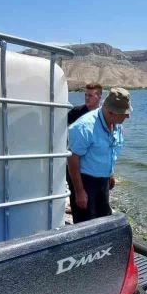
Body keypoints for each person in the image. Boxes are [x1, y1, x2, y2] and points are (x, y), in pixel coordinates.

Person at [67, 87, 131, 223]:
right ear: (111, 112)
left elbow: (110, 149)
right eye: (124, 113)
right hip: (85, 181)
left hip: (103, 181)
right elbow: (72, 160)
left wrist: (110, 174)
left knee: (103, 220)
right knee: (86, 225)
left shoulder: (116, 123)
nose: (128, 116)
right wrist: (79, 191)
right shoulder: (84, 127)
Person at [66, 83, 103, 222]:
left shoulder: (103, 115)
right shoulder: (76, 112)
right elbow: (59, 128)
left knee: (97, 203)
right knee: (78, 197)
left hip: (95, 166)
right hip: (75, 161)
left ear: (99, 96)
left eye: (90, 95)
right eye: (86, 95)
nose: (87, 98)